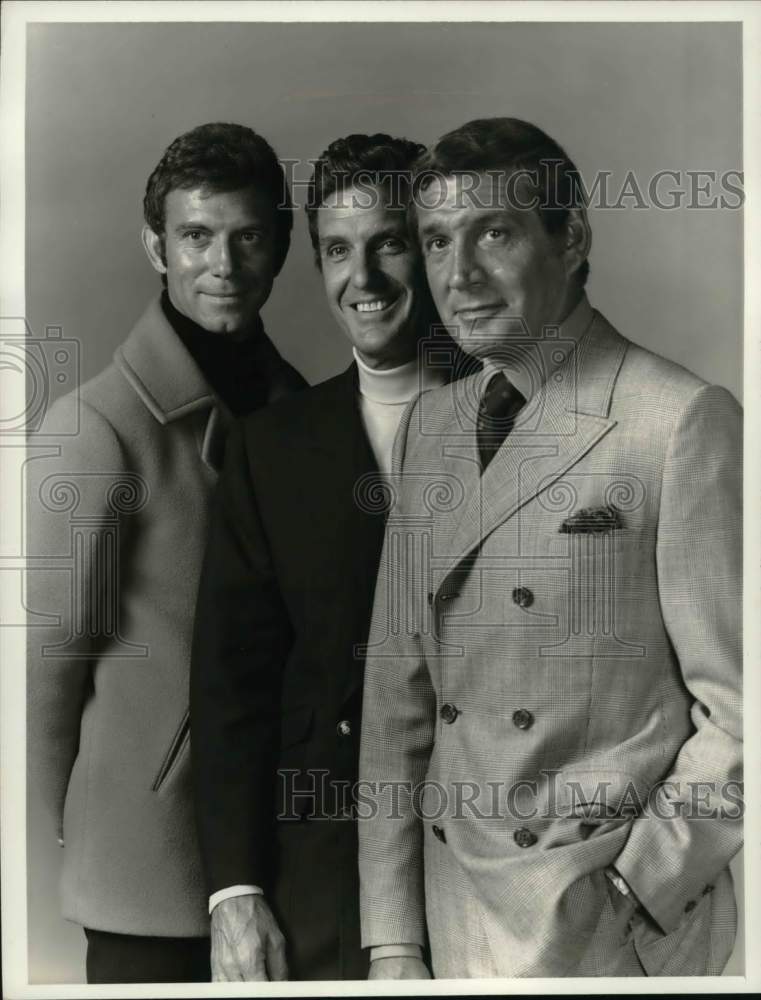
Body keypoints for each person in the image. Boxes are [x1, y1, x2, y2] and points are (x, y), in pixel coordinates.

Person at [358, 117, 742, 978]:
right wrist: (390, 939)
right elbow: (395, 700)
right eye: (435, 241)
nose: (458, 278)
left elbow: (743, 711)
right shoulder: (433, 424)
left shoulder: (677, 419)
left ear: (569, 239)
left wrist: (639, 886)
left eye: (493, 233)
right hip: (450, 914)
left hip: (608, 930)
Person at [26, 122, 305, 984]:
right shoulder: (94, 425)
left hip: (285, 850)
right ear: (156, 245)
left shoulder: (297, 408)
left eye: (247, 235)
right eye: (196, 235)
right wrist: (77, 829)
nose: (223, 262)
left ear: (282, 247)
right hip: (150, 865)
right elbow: (45, 664)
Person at [190, 133, 471, 981]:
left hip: (503, 857)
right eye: (337, 252)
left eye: (389, 242)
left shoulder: (527, 416)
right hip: (323, 873)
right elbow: (232, 683)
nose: (365, 280)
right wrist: (234, 892)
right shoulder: (272, 447)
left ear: (430, 249)